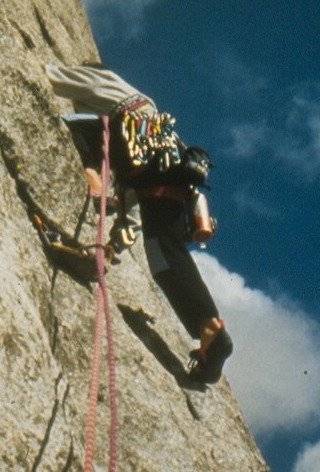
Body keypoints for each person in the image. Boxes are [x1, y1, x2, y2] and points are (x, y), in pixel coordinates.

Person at [45, 62, 233, 384]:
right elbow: (133, 216)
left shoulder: (104, 82)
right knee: (164, 257)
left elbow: (52, 76)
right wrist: (112, 250)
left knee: (165, 256)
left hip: (140, 140)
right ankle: (208, 326)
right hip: (165, 184)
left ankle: (209, 326)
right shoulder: (139, 147)